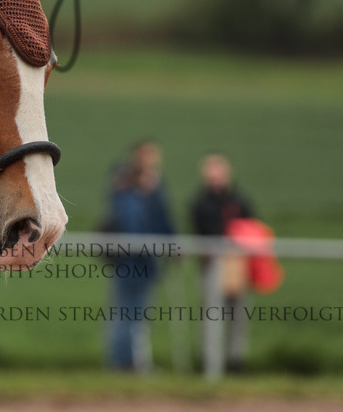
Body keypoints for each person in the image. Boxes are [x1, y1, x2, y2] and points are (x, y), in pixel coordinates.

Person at [101, 140, 175, 372]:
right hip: (130, 261)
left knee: (136, 315)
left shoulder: (153, 189)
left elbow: (163, 220)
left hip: (145, 261)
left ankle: (132, 363)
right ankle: (124, 364)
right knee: (126, 315)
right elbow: (133, 225)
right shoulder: (126, 187)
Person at [191, 152, 255, 373]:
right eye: (212, 172)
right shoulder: (200, 202)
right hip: (213, 266)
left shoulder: (239, 200)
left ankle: (235, 361)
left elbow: (251, 227)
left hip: (238, 266)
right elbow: (206, 229)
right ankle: (209, 362)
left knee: (238, 317)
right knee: (212, 314)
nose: (216, 177)